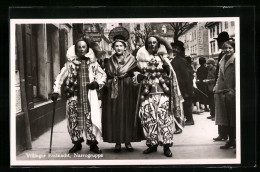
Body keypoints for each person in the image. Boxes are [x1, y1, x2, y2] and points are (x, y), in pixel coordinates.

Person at [51, 39, 107, 153]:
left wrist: (97, 83)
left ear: (87, 49)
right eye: (79, 47)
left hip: (88, 96)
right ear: (75, 49)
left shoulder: (93, 63)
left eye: (83, 47)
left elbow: (103, 75)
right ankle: (76, 143)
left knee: (90, 120)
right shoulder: (69, 64)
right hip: (73, 96)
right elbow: (60, 77)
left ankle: (92, 144)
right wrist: (56, 90)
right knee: (73, 119)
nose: (81, 49)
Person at [135, 36, 184, 157]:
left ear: (158, 45)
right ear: (146, 45)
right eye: (149, 43)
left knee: (165, 120)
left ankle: (167, 146)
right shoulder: (140, 59)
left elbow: (172, 75)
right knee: (149, 119)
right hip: (147, 94)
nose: (152, 45)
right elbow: (134, 75)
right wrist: (138, 77)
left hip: (163, 93)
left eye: (154, 43)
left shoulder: (164, 58)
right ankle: (152, 144)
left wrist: (167, 70)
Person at [102, 27, 144, 152]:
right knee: (115, 115)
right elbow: (106, 76)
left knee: (128, 114)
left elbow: (137, 74)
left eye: (121, 46)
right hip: (113, 91)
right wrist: (109, 82)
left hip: (128, 90)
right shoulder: (109, 61)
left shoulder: (132, 59)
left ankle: (128, 141)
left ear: (125, 47)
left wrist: (138, 77)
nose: (119, 48)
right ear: (113, 48)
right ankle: (117, 141)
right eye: (116, 46)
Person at [214, 40, 236, 149]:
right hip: (222, 93)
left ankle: (236, 142)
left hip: (232, 93)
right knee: (227, 119)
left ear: (234, 48)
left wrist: (235, 90)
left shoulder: (236, 60)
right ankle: (231, 141)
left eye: (230, 48)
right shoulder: (222, 60)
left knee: (234, 119)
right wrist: (216, 87)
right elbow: (219, 77)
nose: (227, 50)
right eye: (225, 48)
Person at [170, 41, 194, 129]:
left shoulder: (181, 60)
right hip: (177, 84)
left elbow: (186, 76)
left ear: (180, 51)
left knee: (185, 103)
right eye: (174, 48)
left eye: (177, 49)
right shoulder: (173, 59)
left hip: (182, 86)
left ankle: (190, 119)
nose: (175, 50)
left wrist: (188, 90)